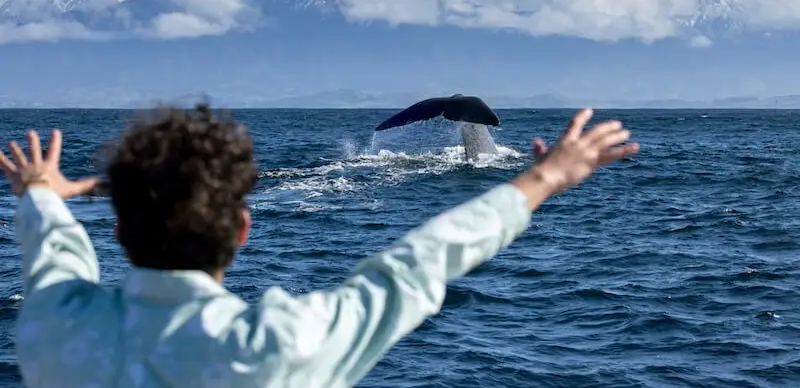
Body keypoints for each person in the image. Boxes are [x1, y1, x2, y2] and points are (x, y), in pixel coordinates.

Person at [1, 104, 638, 388]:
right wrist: (547, 177)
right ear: (241, 228)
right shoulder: (278, 345)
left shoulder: (56, 328)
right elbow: (418, 262)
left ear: (116, 228)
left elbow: (55, 258)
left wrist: (41, 192)